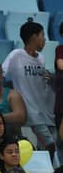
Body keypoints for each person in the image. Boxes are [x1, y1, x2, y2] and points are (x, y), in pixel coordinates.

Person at [6, 22, 57, 159]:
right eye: (42, 35)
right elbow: (2, 72)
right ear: (33, 37)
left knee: (55, 147)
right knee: (50, 145)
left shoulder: (41, 58)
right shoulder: (16, 55)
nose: (45, 39)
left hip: (47, 112)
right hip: (31, 113)